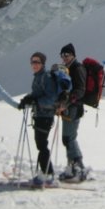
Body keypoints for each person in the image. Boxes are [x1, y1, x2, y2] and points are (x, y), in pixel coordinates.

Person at [18, 52, 66, 185]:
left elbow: (51, 99)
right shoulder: (38, 77)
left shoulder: (46, 77)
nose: (34, 64)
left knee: (42, 145)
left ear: (43, 63)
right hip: (40, 115)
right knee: (41, 144)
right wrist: (29, 98)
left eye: (37, 62)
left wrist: (35, 101)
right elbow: (38, 93)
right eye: (33, 62)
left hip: (46, 115)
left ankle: (46, 173)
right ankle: (47, 172)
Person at [56, 43, 88, 182]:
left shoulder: (77, 68)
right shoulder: (67, 69)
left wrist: (66, 103)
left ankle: (78, 167)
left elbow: (80, 90)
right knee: (67, 138)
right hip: (68, 109)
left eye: (67, 55)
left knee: (69, 138)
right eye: (62, 55)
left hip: (73, 109)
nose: (64, 57)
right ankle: (72, 168)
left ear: (73, 55)